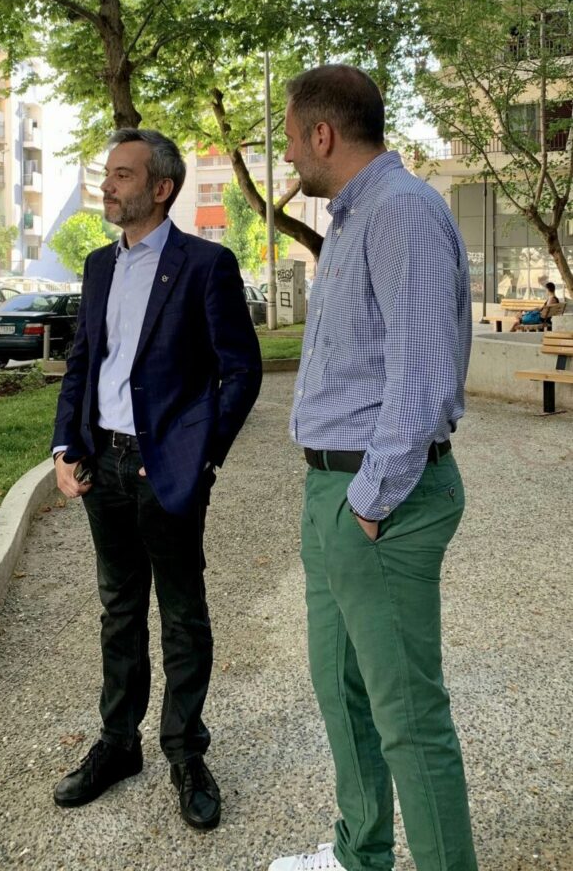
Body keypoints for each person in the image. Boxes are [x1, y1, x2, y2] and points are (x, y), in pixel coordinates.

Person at [269, 65, 477, 871]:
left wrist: (368, 502)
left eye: (291, 138)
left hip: (378, 501)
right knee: (341, 688)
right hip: (335, 491)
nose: (288, 155)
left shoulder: (400, 212)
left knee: (407, 717)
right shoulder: (356, 216)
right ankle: (362, 855)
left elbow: (420, 379)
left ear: (323, 134)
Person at [51, 128, 262, 830]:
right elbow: (83, 361)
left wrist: (202, 456)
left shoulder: (205, 264)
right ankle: (119, 744)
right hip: (100, 464)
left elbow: (240, 371)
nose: (107, 185)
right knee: (118, 610)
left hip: (165, 469)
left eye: (122, 175)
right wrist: (64, 445)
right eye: (107, 173)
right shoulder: (98, 266)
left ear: (161, 188)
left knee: (181, 613)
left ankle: (185, 752)